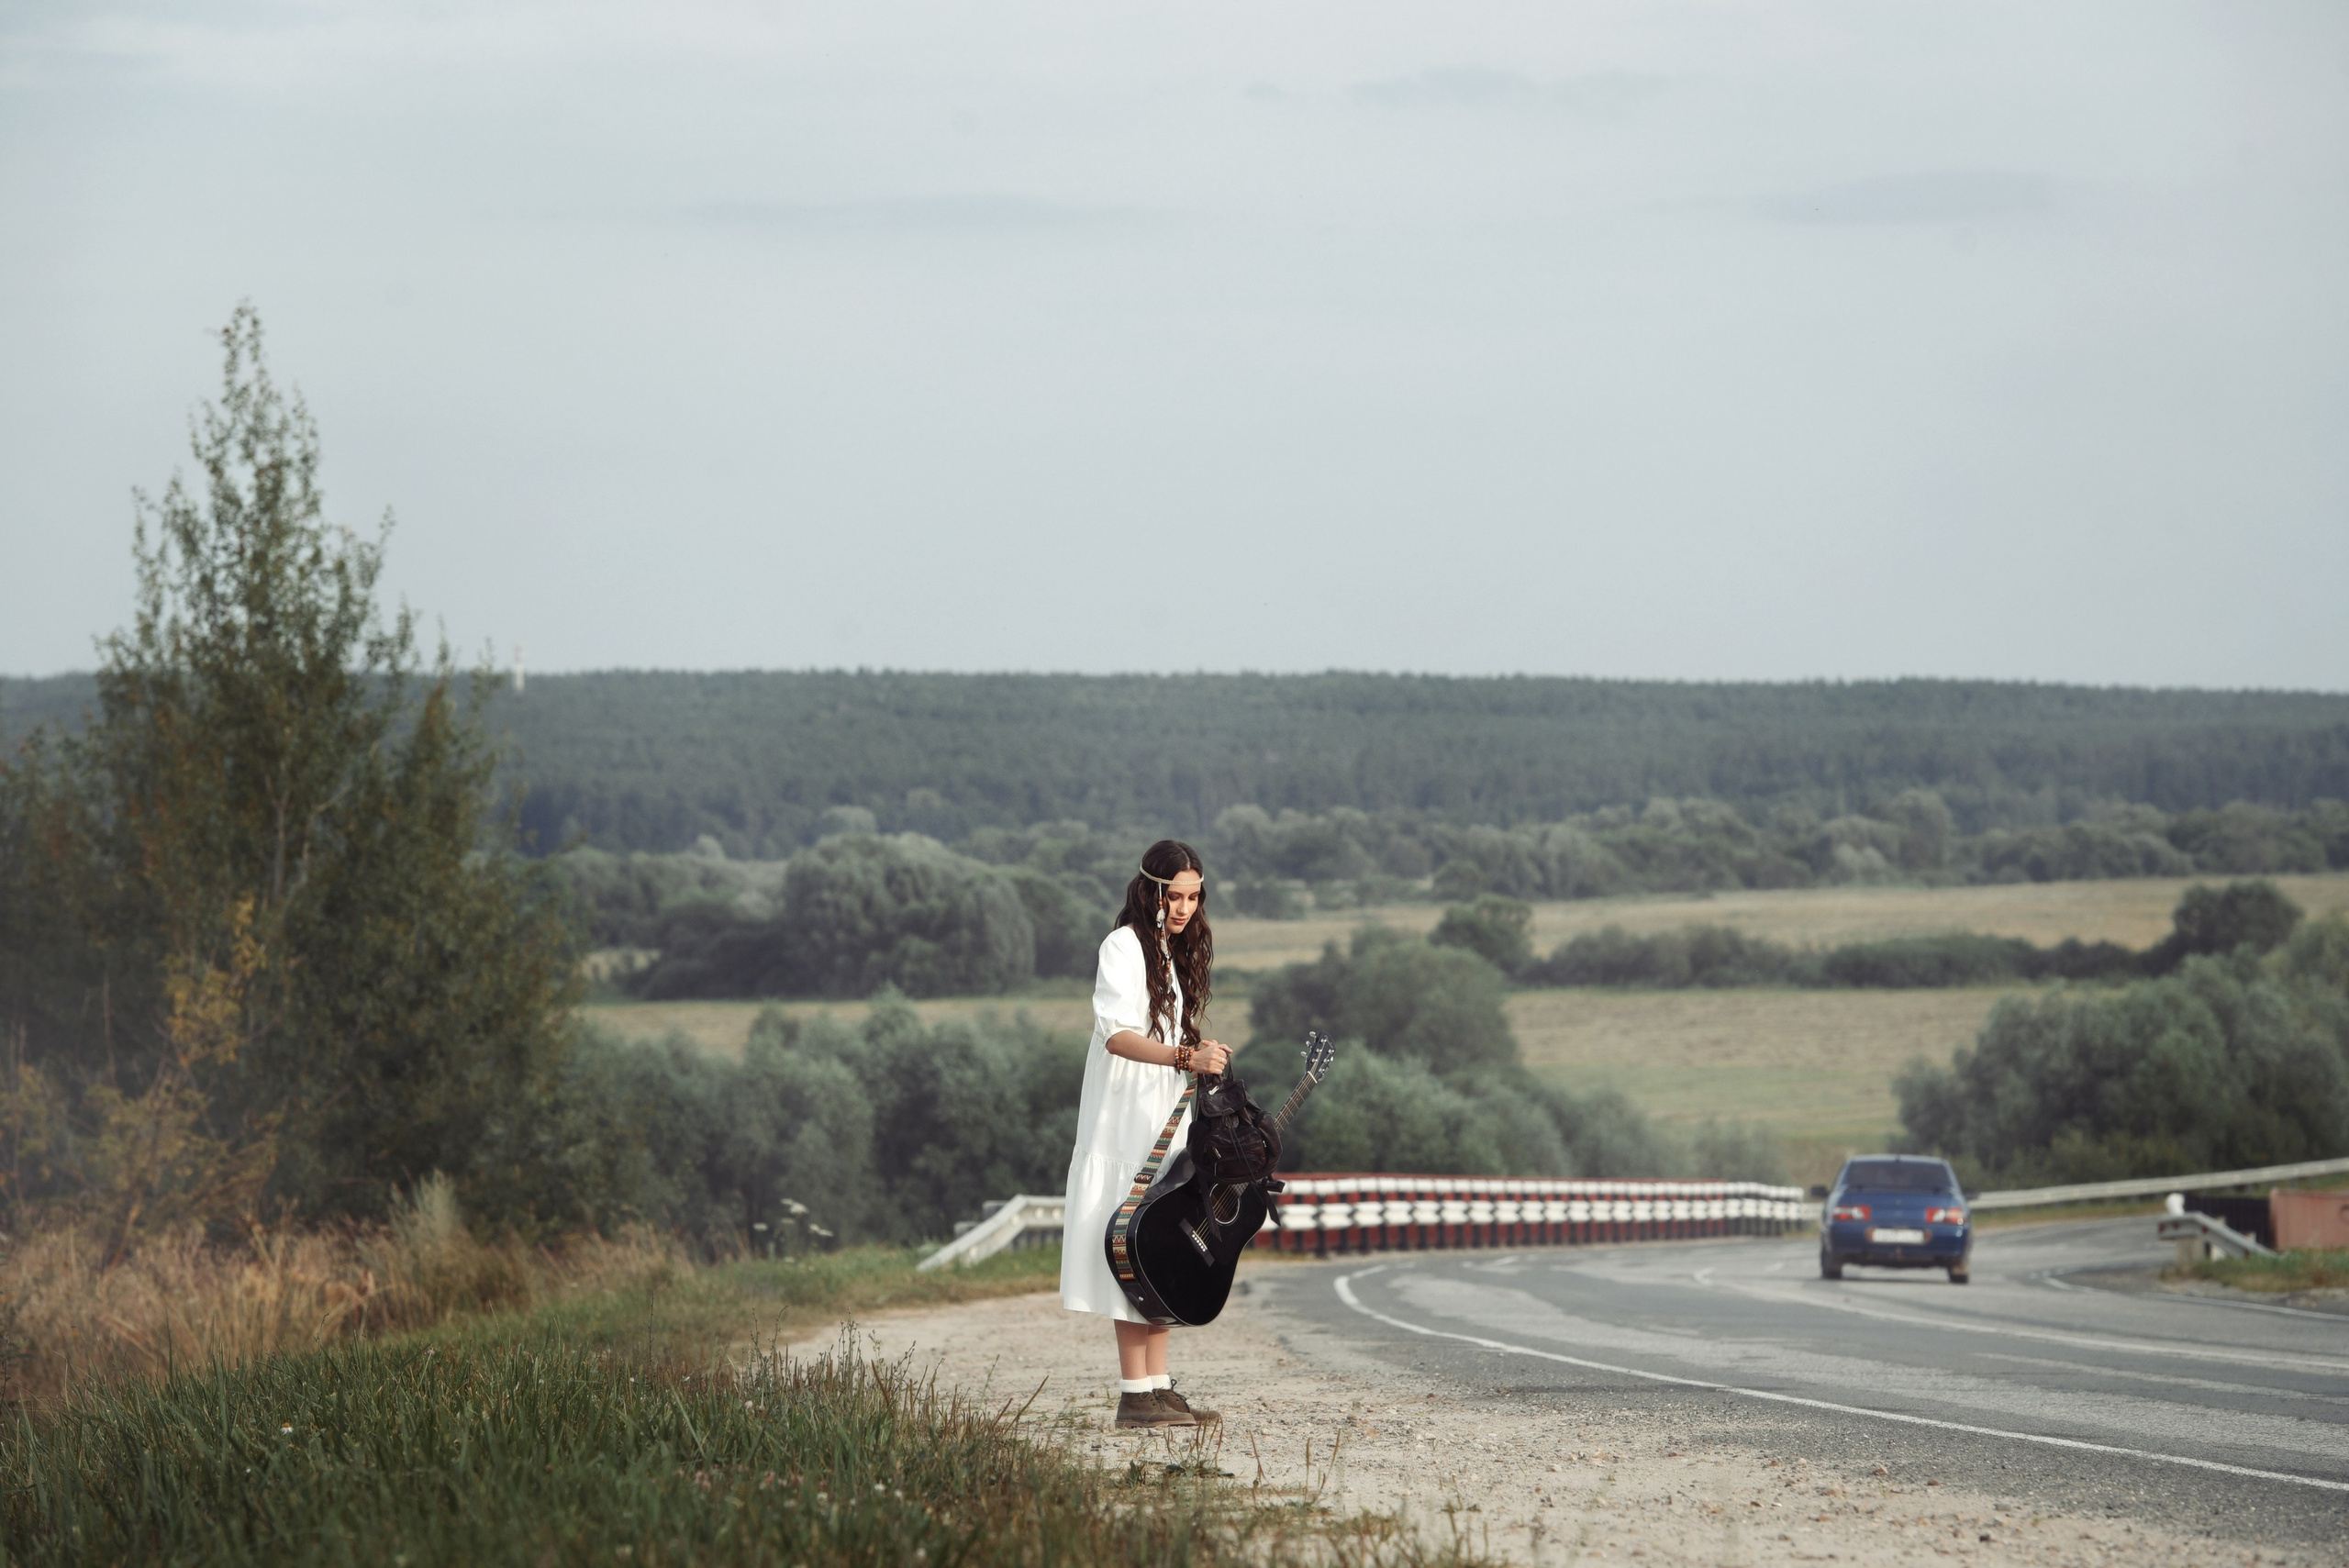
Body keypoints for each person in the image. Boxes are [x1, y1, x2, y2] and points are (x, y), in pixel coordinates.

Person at [1059, 838, 1233, 1429]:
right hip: (1124, 1119)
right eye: (1174, 895)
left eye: (1193, 897)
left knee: (1159, 1244)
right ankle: (1135, 1394)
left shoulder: (1167, 950)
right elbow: (1116, 1035)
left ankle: (1157, 1387)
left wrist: (1200, 1059)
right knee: (1130, 1244)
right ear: (1150, 890)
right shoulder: (1123, 946)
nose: (1184, 908)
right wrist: (1187, 1057)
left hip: (1162, 1113)